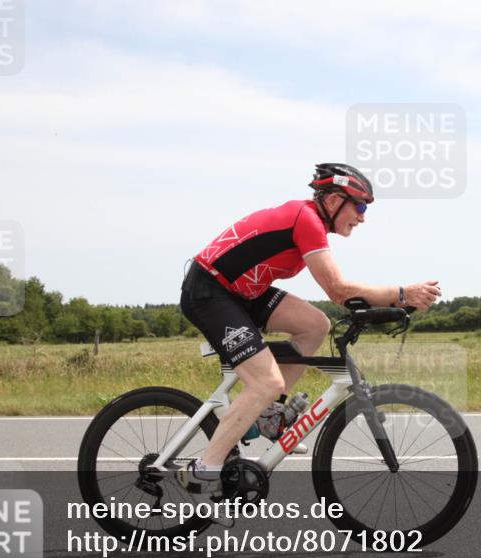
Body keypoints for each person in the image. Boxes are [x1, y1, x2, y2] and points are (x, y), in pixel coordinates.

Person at [177, 163, 441, 500]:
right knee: (266, 382)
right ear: (333, 201)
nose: (361, 217)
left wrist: (390, 305)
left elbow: (341, 297)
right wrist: (403, 294)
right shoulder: (307, 220)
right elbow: (339, 290)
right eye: (359, 206)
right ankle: (205, 471)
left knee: (315, 325)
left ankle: (268, 416)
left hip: (244, 292)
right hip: (210, 292)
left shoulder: (310, 221)